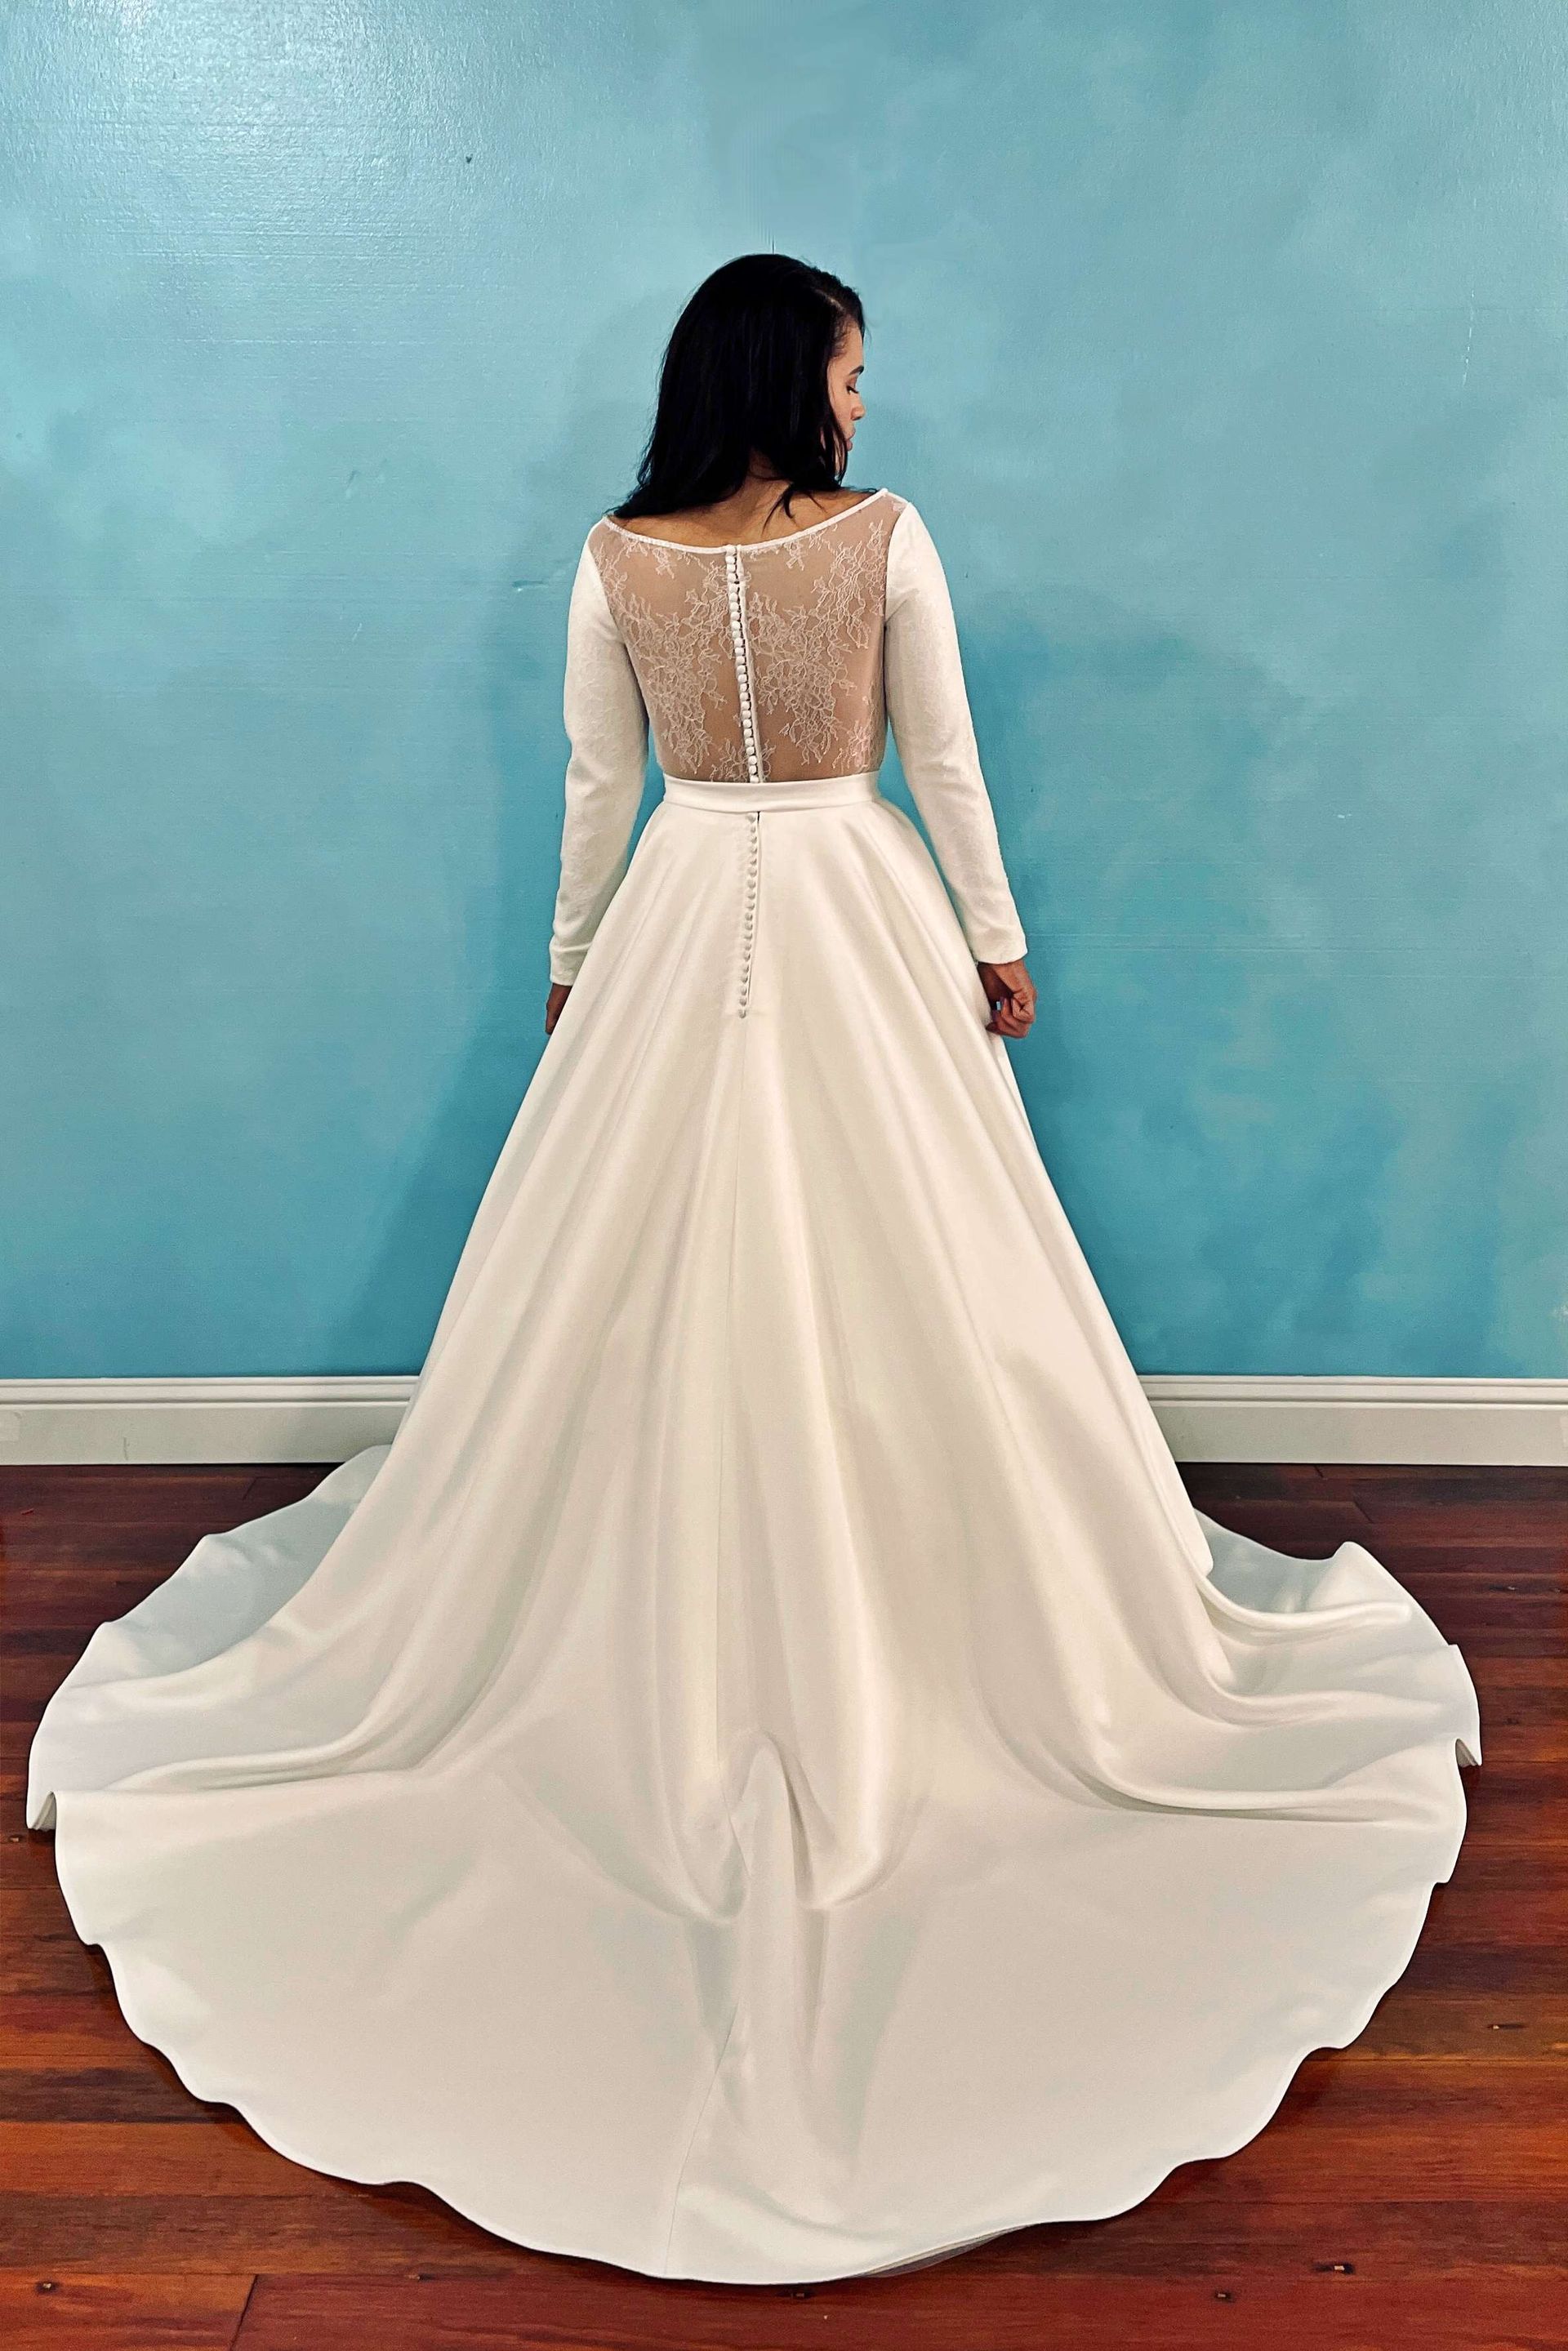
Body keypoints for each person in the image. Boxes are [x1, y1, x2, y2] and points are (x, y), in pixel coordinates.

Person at [28, 252, 1481, 2287]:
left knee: (638, 1291)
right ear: (792, 377)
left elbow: (597, 797)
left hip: (680, 901)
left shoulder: (611, 563)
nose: (869, 408)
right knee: (927, 1283)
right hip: (854, 901)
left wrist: (566, 969)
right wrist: (994, 934)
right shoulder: (884, 543)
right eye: (856, 372)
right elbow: (947, 763)